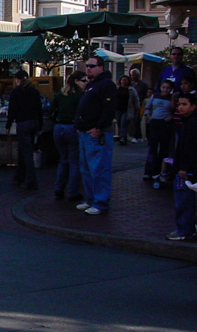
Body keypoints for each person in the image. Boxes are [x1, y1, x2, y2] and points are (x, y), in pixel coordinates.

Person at [74, 56, 117, 215]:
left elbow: (109, 109)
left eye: (92, 66)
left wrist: (98, 127)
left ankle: (100, 202)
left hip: (96, 133)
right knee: (86, 168)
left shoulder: (106, 85)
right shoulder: (93, 85)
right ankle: (91, 199)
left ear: (101, 67)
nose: (88, 69)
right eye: (87, 66)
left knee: (98, 169)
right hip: (86, 132)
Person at [167, 92, 197, 241]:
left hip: (186, 169)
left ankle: (185, 230)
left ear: (193, 106)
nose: (180, 107)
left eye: (184, 104)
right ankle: (187, 228)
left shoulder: (192, 125)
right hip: (185, 167)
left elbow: (191, 148)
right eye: (179, 104)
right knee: (184, 200)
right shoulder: (187, 123)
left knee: (184, 201)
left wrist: (184, 168)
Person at [51, 72, 87, 201]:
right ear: (76, 81)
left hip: (59, 127)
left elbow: (51, 109)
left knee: (63, 159)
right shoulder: (80, 96)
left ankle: (59, 188)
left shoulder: (61, 94)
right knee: (74, 162)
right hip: (73, 128)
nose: (86, 83)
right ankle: (72, 192)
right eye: (84, 80)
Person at [6, 69, 43, 190]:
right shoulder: (34, 91)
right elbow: (39, 109)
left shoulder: (16, 92)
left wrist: (8, 125)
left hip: (22, 123)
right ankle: (20, 175)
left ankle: (30, 179)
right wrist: (40, 125)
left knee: (25, 152)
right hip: (34, 123)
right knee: (26, 150)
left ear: (18, 79)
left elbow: (12, 110)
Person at [144, 80, 174, 184]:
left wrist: (169, 118)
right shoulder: (155, 96)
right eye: (164, 87)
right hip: (154, 123)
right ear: (160, 88)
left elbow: (175, 111)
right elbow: (147, 107)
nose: (165, 90)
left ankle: (161, 171)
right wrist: (149, 117)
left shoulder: (172, 98)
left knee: (163, 148)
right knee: (152, 148)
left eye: (168, 88)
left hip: (165, 124)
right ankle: (148, 171)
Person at [115, 75, 138, 146]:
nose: (123, 81)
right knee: (119, 123)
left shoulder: (131, 90)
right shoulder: (117, 88)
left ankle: (123, 138)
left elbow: (136, 99)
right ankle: (123, 135)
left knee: (123, 123)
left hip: (127, 110)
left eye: (125, 80)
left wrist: (137, 108)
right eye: (122, 80)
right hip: (118, 109)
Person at [129, 67, 149, 142]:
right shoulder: (132, 85)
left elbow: (145, 95)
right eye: (131, 75)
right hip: (132, 105)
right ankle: (138, 136)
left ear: (138, 75)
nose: (132, 77)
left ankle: (136, 136)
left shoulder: (143, 85)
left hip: (140, 105)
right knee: (134, 121)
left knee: (137, 121)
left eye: (133, 75)